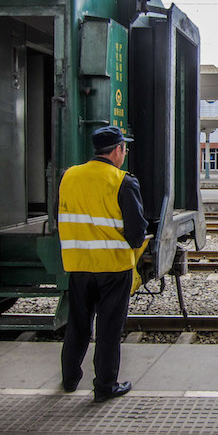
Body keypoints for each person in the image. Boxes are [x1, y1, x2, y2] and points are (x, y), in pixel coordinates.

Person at [58, 125, 147, 403]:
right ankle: (105, 386)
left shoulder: (69, 176)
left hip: (79, 264)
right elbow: (136, 234)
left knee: (78, 324)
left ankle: (70, 379)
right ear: (118, 150)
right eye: (125, 149)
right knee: (108, 328)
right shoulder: (123, 181)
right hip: (113, 267)